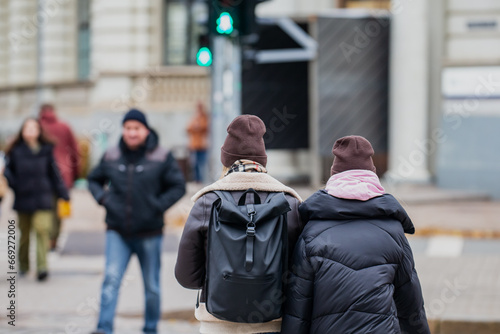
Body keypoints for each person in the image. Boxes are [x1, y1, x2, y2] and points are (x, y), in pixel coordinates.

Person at [281, 135, 430, 334]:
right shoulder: (393, 232)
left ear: (333, 178)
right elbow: (411, 306)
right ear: (372, 177)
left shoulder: (311, 234)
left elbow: (298, 312)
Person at [175, 115, 304, 334]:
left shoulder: (207, 201)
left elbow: (186, 276)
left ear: (226, 160)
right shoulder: (289, 203)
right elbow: (301, 271)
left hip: (217, 322)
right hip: (272, 320)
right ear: (262, 160)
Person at [87, 108, 186, 334]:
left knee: (152, 287)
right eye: (128, 128)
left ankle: (150, 329)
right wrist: (103, 198)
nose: (132, 133)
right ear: (123, 130)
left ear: (146, 130)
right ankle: (104, 328)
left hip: (150, 233)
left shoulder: (161, 155)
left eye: (136, 128)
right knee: (111, 280)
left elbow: (178, 186)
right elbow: (93, 180)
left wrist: (156, 206)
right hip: (117, 231)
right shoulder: (111, 155)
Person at [3, 118, 69, 281]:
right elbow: (7, 172)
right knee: (25, 234)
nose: (31, 131)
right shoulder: (16, 151)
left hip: (43, 196)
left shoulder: (46, 150)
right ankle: (24, 265)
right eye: (28, 128)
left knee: (42, 230)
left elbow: (54, 173)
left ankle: (42, 267)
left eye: (34, 128)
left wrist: (63, 193)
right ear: (22, 131)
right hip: (23, 197)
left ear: (39, 131)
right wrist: (16, 185)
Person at [39, 103, 80, 250]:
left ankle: (47, 238)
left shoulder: (38, 127)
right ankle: (55, 238)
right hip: (65, 172)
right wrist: (75, 174)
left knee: (46, 208)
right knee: (61, 206)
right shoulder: (64, 126)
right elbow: (75, 151)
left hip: (44, 174)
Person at [186, 102, 209, 183]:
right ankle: (197, 180)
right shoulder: (194, 118)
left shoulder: (204, 118)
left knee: (202, 164)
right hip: (194, 145)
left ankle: (202, 180)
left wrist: (197, 126)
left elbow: (205, 127)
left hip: (202, 145)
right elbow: (188, 128)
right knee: (194, 164)